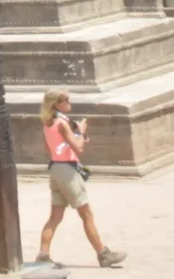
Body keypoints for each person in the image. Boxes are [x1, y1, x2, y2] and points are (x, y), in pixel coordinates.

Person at [35, 91, 126, 269]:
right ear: (56, 104)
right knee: (86, 215)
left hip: (55, 169)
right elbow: (78, 149)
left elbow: (51, 148)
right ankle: (103, 254)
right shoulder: (62, 123)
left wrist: (75, 136)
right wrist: (81, 134)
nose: (70, 102)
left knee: (55, 216)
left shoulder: (48, 123)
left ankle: (43, 255)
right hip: (68, 171)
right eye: (66, 100)